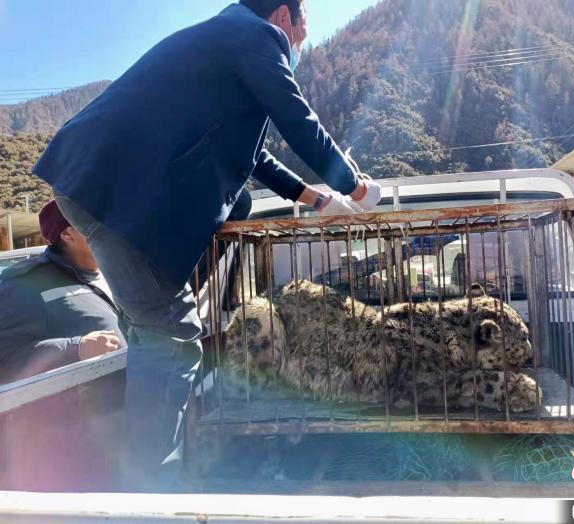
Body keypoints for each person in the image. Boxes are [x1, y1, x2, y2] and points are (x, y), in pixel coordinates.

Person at [32, 0, 381, 491]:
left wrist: (317, 199)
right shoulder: (256, 36)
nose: (300, 44)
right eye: (303, 31)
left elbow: (253, 157)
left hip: (89, 183)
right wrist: (357, 187)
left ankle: (141, 475)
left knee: (225, 224)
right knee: (172, 338)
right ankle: (152, 499)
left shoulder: (224, 46)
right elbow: (297, 120)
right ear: (284, 17)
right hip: (112, 192)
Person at [0, 200, 125, 384]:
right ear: (67, 234)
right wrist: (75, 349)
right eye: (97, 221)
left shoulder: (116, 272)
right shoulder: (25, 284)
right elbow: (6, 359)